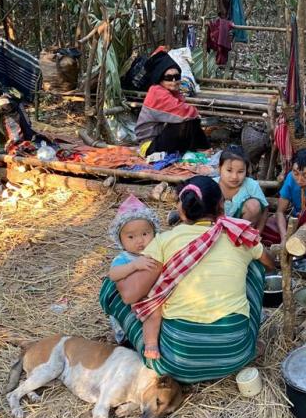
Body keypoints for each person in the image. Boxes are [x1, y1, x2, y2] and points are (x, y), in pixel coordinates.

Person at [99, 176, 276, 383]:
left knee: (112, 284)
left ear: (181, 209)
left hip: (175, 365)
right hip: (236, 355)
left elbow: (130, 295)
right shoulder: (239, 234)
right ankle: (246, 342)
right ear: (221, 206)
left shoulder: (165, 241)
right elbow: (270, 263)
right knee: (255, 266)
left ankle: (150, 345)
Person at [107, 195, 163, 360]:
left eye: (145, 234)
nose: (139, 241)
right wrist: (134, 266)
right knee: (153, 314)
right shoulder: (124, 258)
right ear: (121, 240)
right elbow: (113, 274)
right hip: (136, 304)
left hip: (153, 297)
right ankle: (148, 345)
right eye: (131, 237)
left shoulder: (156, 252)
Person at [135, 48, 209, 155]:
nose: (174, 81)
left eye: (176, 76)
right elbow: (183, 112)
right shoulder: (157, 92)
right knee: (186, 120)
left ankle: (202, 149)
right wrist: (196, 114)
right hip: (149, 146)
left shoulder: (173, 92)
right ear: (160, 79)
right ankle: (201, 149)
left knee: (190, 120)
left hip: (160, 139)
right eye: (168, 77)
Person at [215, 146, 268, 229]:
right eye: (229, 170)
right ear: (219, 168)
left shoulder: (251, 185)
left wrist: (258, 232)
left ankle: (245, 235)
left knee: (254, 205)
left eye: (240, 172)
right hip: (214, 226)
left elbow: (265, 210)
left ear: (246, 170)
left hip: (241, 228)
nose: (234, 177)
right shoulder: (212, 184)